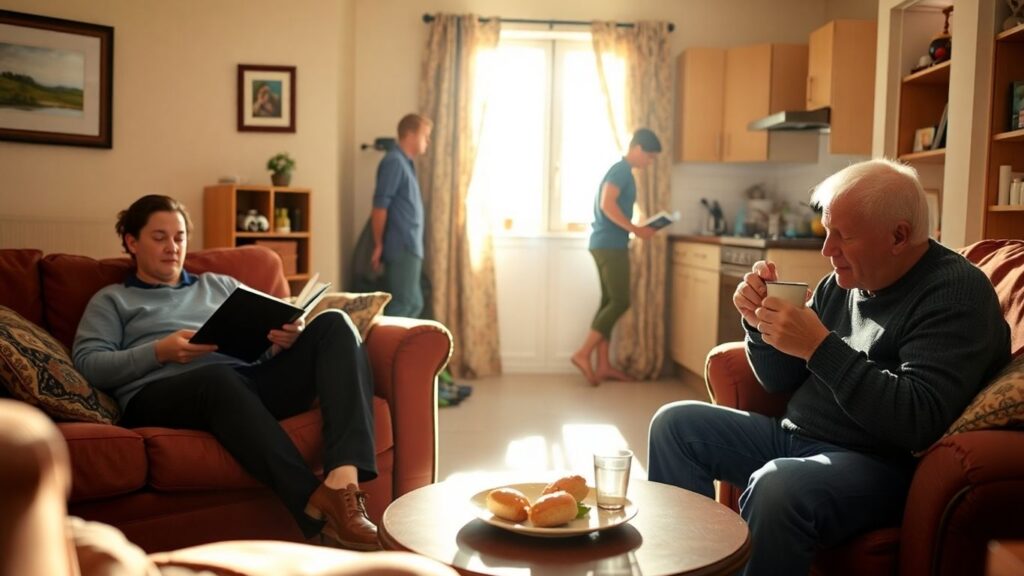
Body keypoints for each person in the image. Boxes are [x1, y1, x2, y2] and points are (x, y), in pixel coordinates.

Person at [647, 159, 1011, 575]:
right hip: (795, 439)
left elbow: (918, 418)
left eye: (842, 235)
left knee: (778, 486)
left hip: (875, 464)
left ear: (899, 236)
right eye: (826, 231)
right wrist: (759, 324)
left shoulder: (955, 294)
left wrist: (820, 347)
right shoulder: (842, 283)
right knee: (674, 425)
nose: (826, 249)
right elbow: (779, 379)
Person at [72, 195, 380, 551]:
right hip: (162, 395)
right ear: (131, 241)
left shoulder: (218, 285)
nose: (172, 247)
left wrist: (284, 341)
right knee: (217, 379)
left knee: (335, 324)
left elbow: (257, 344)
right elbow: (88, 364)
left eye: (180, 237)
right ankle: (310, 502)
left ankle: (342, 485)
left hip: (242, 387)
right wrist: (160, 352)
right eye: (159, 237)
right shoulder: (112, 300)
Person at [571, 128, 662, 386]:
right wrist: (636, 230)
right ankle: (582, 353)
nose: (650, 162)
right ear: (638, 149)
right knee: (620, 301)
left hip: (604, 243)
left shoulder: (620, 171)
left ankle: (603, 366)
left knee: (609, 301)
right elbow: (606, 204)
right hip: (610, 245)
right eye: (650, 157)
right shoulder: (621, 171)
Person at [370, 113, 432, 318]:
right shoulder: (394, 162)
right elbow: (380, 205)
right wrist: (378, 244)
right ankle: (384, 348)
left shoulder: (406, 163)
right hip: (402, 246)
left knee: (414, 302)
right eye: (425, 135)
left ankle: (393, 347)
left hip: (411, 246)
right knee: (405, 303)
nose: (427, 141)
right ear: (411, 135)